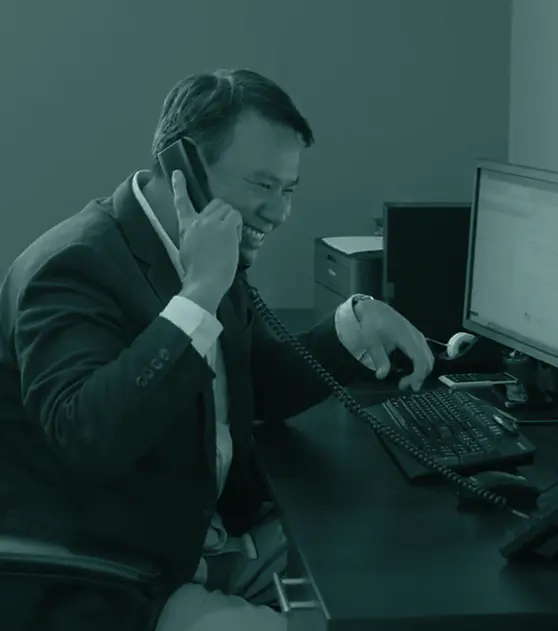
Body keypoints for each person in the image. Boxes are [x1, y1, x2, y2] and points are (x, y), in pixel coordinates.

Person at [0, 68, 434, 630]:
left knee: (394, 569)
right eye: (262, 185)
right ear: (183, 169)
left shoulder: (201, 248)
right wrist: (198, 294)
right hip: (122, 579)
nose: (279, 213)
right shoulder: (74, 266)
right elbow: (87, 436)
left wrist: (354, 326)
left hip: (211, 538)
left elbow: (250, 384)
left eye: (288, 190)